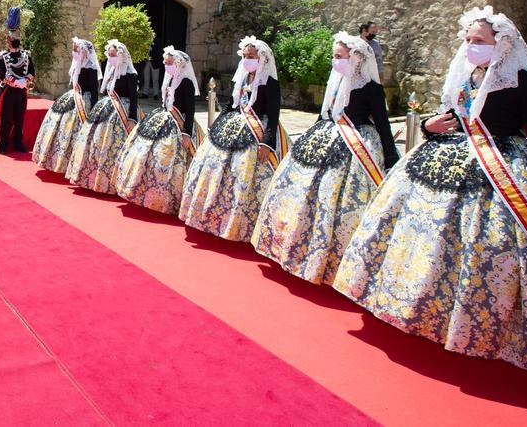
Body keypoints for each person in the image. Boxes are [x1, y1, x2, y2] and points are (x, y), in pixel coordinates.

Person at [334, 7, 527, 371]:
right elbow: (448, 118)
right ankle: (428, 314)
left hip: (503, 171)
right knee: (430, 247)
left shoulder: (526, 84)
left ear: (503, 44)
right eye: (467, 40)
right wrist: (431, 127)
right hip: (448, 162)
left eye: (479, 41)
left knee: (486, 249)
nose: (470, 47)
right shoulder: (464, 78)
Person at [250, 32, 397, 284]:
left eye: (339, 57)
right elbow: (324, 116)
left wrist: (391, 159)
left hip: (355, 149)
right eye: (333, 56)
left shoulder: (371, 88)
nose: (334, 62)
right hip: (325, 140)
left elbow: (383, 125)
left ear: (357, 58)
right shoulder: (335, 82)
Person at [179, 36, 287, 241]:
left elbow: (273, 116)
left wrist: (267, 143)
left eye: (252, 56)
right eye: (245, 56)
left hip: (256, 134)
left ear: (262, 58)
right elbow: (230, 106)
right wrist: (217, 126)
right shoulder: (242, 78)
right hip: (233, 127)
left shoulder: (270, 83)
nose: (247, 60)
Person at [115, 46, 202, 214]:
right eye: (165, 62)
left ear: (178, 64)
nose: (166, 65)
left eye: (169, 63)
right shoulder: (169, 78)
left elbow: (190, 110)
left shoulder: (187, 82)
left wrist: (187, 133)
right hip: (164, 118)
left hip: (180, 124)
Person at [66, 39, 139, 194]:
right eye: (109, 54)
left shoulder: (131, 74)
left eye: (113, 55)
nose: (110, 58)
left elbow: (134, 99)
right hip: (108, 109)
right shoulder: (112, 70)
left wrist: (132, 118)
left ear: (121, 55)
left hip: (122, 113)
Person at [32, 37, 101, 173]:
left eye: (76, 49)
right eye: (73, 49)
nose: (74, 51)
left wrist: (93, 110)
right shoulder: (77, 63)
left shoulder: (91, 68)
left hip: (84, 101)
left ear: (84, 52)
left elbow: (94, 90)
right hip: (73, 97)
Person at [0, 33, 34, 152]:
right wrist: (14, 82)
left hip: (21, 91)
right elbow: (0, 72)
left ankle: (18, 143)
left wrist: (25, 80)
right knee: (6, 118)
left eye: (16, 38)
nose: (14, 40)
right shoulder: (2, 57)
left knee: (19, 118)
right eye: (12, 39)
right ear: (8, 41)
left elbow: (32, 71)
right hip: (8, 91)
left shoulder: (26, 56)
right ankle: (3, 145)